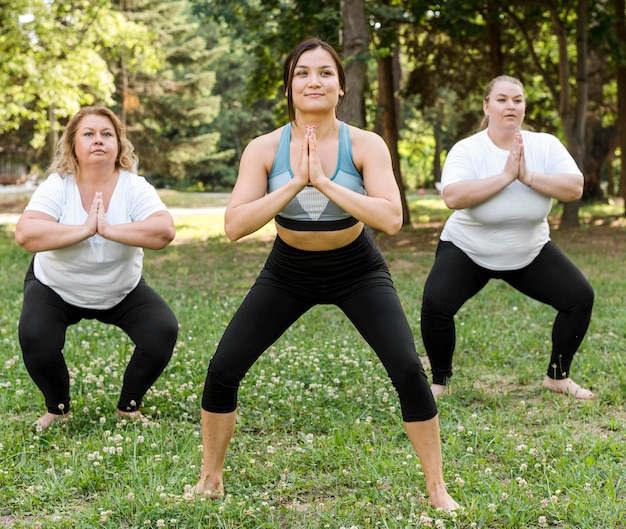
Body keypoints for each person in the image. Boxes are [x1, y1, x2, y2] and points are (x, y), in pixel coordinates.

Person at [192, 38, 459, 510]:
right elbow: (234, 226)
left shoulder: (366, 144)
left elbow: (391, 219)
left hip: (356, 268)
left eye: (324, 73)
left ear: (341, 87)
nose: (313, 81)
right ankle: (210, 478)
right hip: (288, 269)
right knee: (223, 369)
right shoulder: (263, 149)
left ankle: (437, 489)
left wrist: (326, 181)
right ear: (289, 87)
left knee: (407, 370)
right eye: (301, 73)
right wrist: (296, 180)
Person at [420, 75, 595, 401]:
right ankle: (440, 381)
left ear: (524, 107)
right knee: (436, 304)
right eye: (502, 99)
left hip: (529, 250)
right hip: (468, 248)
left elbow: (575, 187)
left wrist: (527, 176)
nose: (510, 105)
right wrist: (505, 176)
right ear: (487, 106)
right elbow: (453, 197)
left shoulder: (544, 144)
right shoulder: (468, 148)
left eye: (517, 99)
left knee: (580, 297)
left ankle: (557, 377)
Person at [15, 106, 178, 429]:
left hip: (119, 288)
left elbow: (164, 232)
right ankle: (57, 409)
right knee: (36, 337)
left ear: (118, 144)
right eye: (88, 134)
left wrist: (109, 230)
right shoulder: (58, 185)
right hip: (55, 286)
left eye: (107, 134)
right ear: (73, 145)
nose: (98, 140)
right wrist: (84, 230)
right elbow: (26, 233)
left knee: (162, 331)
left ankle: (129, 407)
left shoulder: (134, 186)